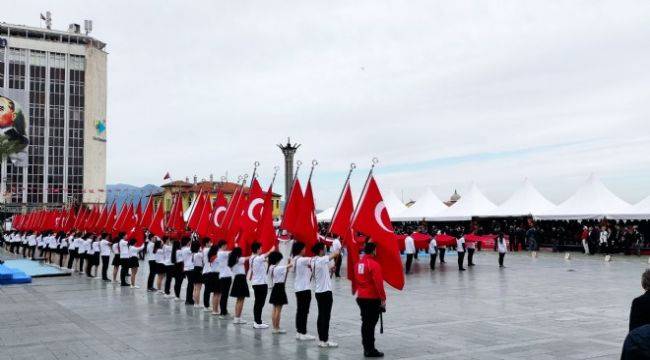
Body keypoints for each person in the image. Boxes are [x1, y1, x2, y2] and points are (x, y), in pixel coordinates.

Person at [355, 241, 386, 358]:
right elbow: (379, 283)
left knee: (365, 323)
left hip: (361, 297)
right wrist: (383, 298)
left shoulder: (358, 263)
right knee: (371, 324)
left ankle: (366, 347)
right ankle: (370, 349)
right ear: (373, 250)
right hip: (372, 298)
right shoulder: (373, 264)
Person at [312, 242, 340, 348]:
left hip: (319, 292)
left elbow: (322, 270)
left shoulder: (314, 261)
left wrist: (330, 269)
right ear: (320, 250)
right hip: (326, 293)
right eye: (324, 248)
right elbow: (335, 253)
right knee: (326, 317)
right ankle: (325, 340)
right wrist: (339, 248)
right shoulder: (321, 259)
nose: (325, 250)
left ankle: (321, 339)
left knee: (321, 315)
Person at [292, 241, 316, 341]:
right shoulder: (302, 260)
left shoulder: (295, 259)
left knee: (300, 310)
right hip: (304, 289)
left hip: (298, 288)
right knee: (304, 311)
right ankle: (303, 332)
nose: (305, 250)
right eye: (304, 248)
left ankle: (299, 331)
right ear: (300, 249)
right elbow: (315, 260)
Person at [249, 242, 273, 329]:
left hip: (257, 283)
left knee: (258, 303)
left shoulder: (252, 258)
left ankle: (258, 320)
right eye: (261, 248)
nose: (262, 250)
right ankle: (257, 322)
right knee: (259, 303)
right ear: (258, 249)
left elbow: (265, 259)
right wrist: (272, 247)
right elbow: (267, 255)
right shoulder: (257, 258)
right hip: (261, 284)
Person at [268, 251, 292, 334]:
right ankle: (276, 328)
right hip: (280, 288)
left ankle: (275, 327)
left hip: (275, 288)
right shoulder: (278, 268)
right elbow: (290, 266)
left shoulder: (271, 267)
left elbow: (286, 270)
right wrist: (291, 260)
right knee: (278, 310)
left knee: (274, 309)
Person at [228, 247, 250, 324]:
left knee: (239, 300)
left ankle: (237, 317)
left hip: (237, 279)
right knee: (241, 299)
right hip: (241, 279)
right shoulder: (239, 260)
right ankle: (237, 318)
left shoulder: (233, 261)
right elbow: (249, 257)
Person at [216, 240, 232, 318]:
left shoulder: (220, 253)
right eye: (226, 245)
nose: (226, 246)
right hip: (225, 276)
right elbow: (232, 253)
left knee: (224, 295)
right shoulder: (222, 253)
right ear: (222, 245)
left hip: (224, 275)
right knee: (224, 295)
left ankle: (224, 310)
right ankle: (222, 312)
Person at [180, 238, 195, 304]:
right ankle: (189, 299)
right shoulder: (187, 249)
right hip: (189, 268)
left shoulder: (183, 249)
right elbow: (195, 250)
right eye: (189, 242)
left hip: (186, 267)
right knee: (190, 284)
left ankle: (189, 299)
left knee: (190, 284)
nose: (190, 243)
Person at [191, 240, 204, 307]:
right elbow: (203, 261)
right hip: (199, 270)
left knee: (195, 288)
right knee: (198, 288)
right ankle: (197, 303)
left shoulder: (193, 253)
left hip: (194, 269)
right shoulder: (199, 254)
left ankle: (195, 302)